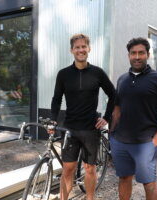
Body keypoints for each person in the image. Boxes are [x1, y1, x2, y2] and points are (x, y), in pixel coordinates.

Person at [50, 33, 115, 200]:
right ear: (72, 50)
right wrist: (53, 120)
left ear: (89, 49)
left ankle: (90, 198)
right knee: (68, 169)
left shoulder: (97, 73)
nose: (81, 50)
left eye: (83, 47)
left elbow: (113, 95)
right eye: (77, 47)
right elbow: (57, 99)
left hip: (90, 129)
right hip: (70, 128)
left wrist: (106, 117)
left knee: (90, 169)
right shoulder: (63, 74)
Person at [109, 37, 157, 200]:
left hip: (146, 142)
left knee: (149, 183)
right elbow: (117, 108)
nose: (137, 56)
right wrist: (111, 134)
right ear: (128, 55)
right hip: (120, 141)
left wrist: (156, 140)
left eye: (141, 53)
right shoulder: (122, 79)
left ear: (148, 54)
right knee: (124, 178)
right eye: (133, 53)